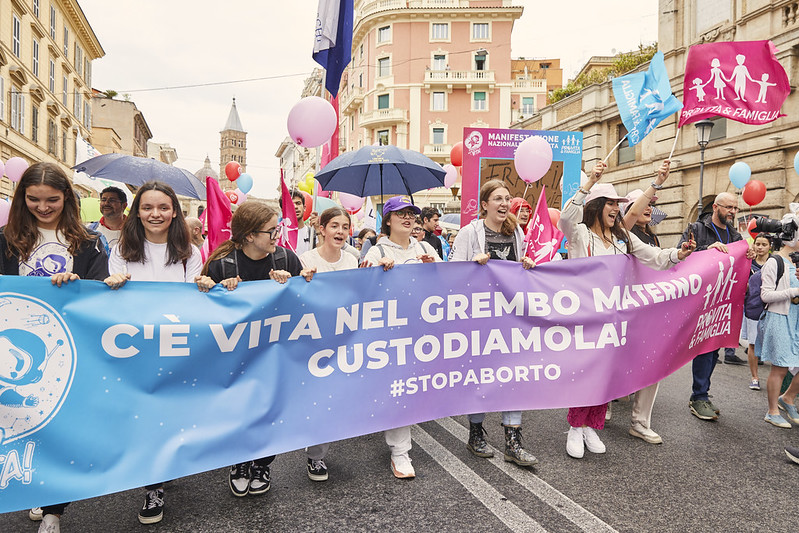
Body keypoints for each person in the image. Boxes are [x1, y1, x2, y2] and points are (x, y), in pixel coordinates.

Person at [558, 162, 695, 459]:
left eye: (616, 204)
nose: (614, 208)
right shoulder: (580, 235)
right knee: (586, 374)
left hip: (615, 319)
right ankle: (574, 427)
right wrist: (590, 182)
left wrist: (678, 254)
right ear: (595, 206)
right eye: (609, 203)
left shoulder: (623, 238)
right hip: (585, 318)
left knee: (605, 375)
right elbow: (567, 217)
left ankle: (590, 426)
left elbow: (655, 257)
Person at [1, 163, 109, 533]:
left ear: (68, 198)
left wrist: (79, 285)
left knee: (62, 424)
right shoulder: (5, 239)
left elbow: (100, 294)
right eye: (33, 199)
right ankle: (33, 483)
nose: (43, 207)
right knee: (24, 422)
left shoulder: (89, 243)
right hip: (13, 346)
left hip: (69, 347)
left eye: (52, 200)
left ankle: (54, 510)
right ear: (22, 198)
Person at [103, 182, 209, 525]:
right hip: (137, 349)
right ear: (137, 212)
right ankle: (153, 487)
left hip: (176, 347)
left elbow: (194, 299)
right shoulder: (122, 249)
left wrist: (203, 288)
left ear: (174, 211)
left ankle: (165, 466)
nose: (155, 214)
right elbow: (115, 302)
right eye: (147, 208)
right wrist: (114, 286)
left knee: (171, 414)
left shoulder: (191, 252)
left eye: (162, 207)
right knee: (146, 416)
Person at [200, 201, 310, 494]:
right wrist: (216, 290)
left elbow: (305, 302)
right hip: (235, 355)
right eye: (271, 230)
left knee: (270, 410)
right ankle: (239, 460)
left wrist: (298, 282)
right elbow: (201, 309)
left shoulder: (286, 258)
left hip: (275, 353)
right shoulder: (221, 263)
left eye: (278, 229)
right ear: (249, 235)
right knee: (239, 409)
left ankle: (262, 463)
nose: (277, 235)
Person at [450, 180, 538, 467]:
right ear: (484, 204)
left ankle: (513, 441)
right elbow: (450, 273)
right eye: (497, 198)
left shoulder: (517, 233)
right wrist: (471, 267)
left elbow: (519, 273)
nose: (503, 203)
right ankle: (476, 433)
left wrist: (525, 264)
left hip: (510, 318)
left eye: (507, 198)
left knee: (514, 377)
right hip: (479, 318)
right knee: (480, 377)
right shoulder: (468, 233)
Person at [362, 196, 441, 478]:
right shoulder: (375, 251)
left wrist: (435, 268)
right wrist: (375, 273)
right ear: (388, 220)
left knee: (410, 390)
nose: (407, 218)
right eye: (400, 214)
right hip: (388, 335)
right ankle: (400, 452)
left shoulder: (426, 247)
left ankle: (397, 443)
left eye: (411, 214)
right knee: (398, 390)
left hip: (420, 332)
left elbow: (447, 287)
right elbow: (361, 290)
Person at [297, 207, 360, 480]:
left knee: (332, 400)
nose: (340, 232)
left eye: (345, 227)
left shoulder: (353, 260)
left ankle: (316, 456)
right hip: (311, 341)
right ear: (321, 229)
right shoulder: (304, 259)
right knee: (312, 399)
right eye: (334, 226)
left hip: (343, 340)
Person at [678, 192, 752, 421]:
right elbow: (681, 255)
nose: (732, 211)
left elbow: (741, 266)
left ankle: (702, 395)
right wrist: (708, 249)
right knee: (705, 347)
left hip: (725, 299)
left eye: (736, 208)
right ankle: (699, 396)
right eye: (728, 207)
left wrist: (749, 255)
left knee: (715, 347)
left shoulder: (736, 234)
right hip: (703, 299)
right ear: (716, 207)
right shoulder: (698, 229)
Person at [615, 162, 671, 444]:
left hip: (649, 309)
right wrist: (656, 183)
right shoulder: (621, 233)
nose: (650, 209)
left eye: (653, 205)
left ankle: (639, 421)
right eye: (645, 204)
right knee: (615, 359)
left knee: (652, 361)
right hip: (622, 309)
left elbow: (661, 261)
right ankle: (603, 400)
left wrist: (691, 255)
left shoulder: (651, 236)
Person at [755, 212, 799, 429]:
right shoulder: (775, 261)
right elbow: (766, 295)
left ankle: (788, 399)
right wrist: (793, 291)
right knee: (780, 368)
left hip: (796, 319)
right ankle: (772, 411)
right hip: (779, 317)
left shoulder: (797, 260)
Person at [744, 234, 772, 390]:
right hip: (753, 307)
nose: (760, 247)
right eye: (757, 244)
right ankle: (755, 377)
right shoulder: (748, 263)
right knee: (753, 344)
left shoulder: (776, 263)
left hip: (772, 308)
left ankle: (774, 379)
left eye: (764, 244)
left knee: (773, 343)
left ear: (770, 246)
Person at [86, 186, 128, 255]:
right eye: (103, 200)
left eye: (112, 200)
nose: (106, 203)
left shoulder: (135, 231)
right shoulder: (90, 230)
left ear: (124, 205)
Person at [292, 190, 317, 255]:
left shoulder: (313, 234)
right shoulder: (279, 235)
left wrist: (318, 230)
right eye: (291, 204)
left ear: (304, 208)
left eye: (298, 203)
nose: (295, 207)